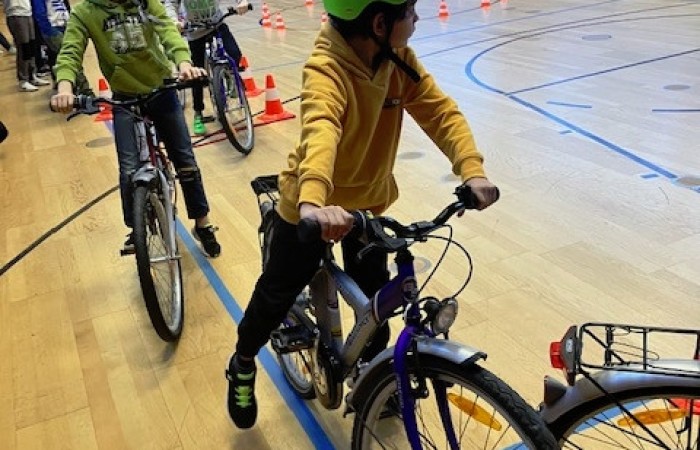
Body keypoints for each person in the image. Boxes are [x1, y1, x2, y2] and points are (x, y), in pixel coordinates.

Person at [224, 0, 500, 430]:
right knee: (276, 294)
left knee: (376, 300)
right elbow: (321, 129)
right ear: (379, 22)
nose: (418, 18)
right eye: (410, 10)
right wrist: (313, 202)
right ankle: (242, 361)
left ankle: (373, 375)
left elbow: (440, 112)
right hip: (312, 204)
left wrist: (472, 169)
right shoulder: (326, 67)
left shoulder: (398, 59)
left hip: (366, 205)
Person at [51, 0, 222, 257]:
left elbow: (168, 31)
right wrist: (65, 88)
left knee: (184, 159)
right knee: (128, 168)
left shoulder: (146, 2)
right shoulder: (85, 12)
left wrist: (184, 64)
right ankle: (136, 227)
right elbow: (70, 51)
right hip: (125, 96)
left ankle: (202, 222)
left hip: (161, 88)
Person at [164, 0, 249, 136]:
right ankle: (198, 113)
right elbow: (171, 3)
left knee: (234, 53)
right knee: (197, 76)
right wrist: (173, 20)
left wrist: (242, 2)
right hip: (195, 31)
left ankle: (230, 77)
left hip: (217, 24)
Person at [30, 0, 92, 93]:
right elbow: (40, 13)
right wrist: (50, 31)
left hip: (65, 24)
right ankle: (85, 90)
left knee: (56, 56)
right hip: (53, 28)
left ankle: (61, 82)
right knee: (69, 57)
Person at [4, 0, 51, 91]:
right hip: (15, 13)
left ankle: (32, 75)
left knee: (32, 45)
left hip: (27, 12)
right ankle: (23, 79)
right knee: (24, 47)